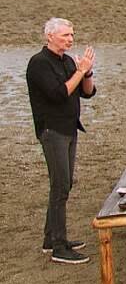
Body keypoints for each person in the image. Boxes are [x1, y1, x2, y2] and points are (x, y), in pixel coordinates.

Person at [26, 17, 97, 265]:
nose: (70, 39)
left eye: (72, 35)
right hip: (52, 130)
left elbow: (86, 92)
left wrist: (86, 72)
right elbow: (59, 93)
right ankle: (58, 246)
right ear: (50, 36)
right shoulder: (38, 64)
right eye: (66, 35)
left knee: (63, 185)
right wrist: (79, 71)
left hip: (70, 129)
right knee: (60, 186)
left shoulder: (67, 61)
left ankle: (51, 238)